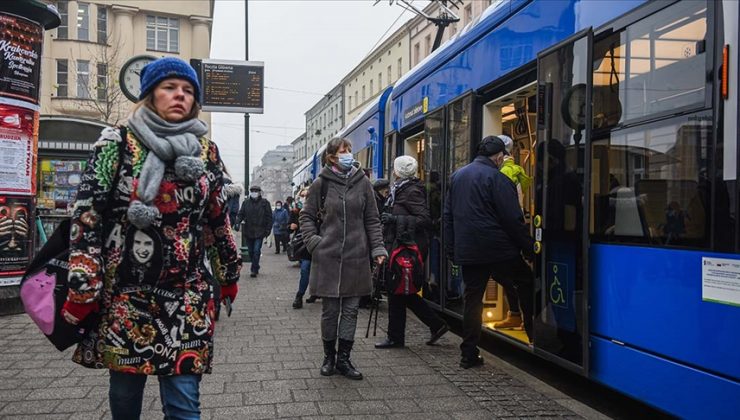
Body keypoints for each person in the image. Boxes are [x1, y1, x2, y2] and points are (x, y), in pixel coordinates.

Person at [60, 57, 241, 419]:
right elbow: (86, 217)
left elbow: (218, 217)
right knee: (126, 396)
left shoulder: (205, 151)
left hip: (187, 296)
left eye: (188, 91)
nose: (180, 96)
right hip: (128, 296)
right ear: (149, 94)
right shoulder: (117, 142)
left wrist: (229, 273)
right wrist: (83, 289)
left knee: (184, 403)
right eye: (170, 88)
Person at [444, 135, 535, 369]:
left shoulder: (456, 177)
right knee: (524, 281)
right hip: (498, 250)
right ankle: (534, 335)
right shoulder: (497, 178)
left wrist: (452, 249)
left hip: (469, 251)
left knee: (473, 301)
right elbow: (512, 219)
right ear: (498, 157)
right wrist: (529, 248)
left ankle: (468, 354)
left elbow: (448, 217)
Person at [300, 137, 386, 380]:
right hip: (327, 257)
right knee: (330, 311)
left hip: (356, 256)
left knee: (350, 310)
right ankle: (328, 357)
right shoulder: (321, 184)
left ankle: (344, 360)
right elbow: (306, 216)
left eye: (350, 149)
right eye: (343, 151)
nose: (349, 154)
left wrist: (378, 249)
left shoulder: (363, 183)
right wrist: (315, 243)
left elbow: (372, 219)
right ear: (332, 157)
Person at [375, 156, 449, 349]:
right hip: (399, 244)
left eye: (394, 169)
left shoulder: (411, 191)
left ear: (398, 171)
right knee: (400, 290)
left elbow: (425, 219)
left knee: (397, 288)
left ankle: (398, 336)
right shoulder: (401, 189)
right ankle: (431, 326)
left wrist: (394, 219)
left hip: (407, 246)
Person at [492, 134, 532, 330]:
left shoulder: (503, 172)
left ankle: (519, 316)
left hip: (505, 232)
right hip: (514, 228)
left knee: (508, 276)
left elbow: (504, 207)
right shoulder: (515, 169)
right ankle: (518, 315)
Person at [236, 185, 272, 277]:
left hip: (260, 231)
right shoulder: (246, 203)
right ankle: (256, 265)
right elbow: (241, 214)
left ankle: (254, 269)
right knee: (251, 251)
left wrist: (268, 230)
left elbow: (269, 218)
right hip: (249, 231)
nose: (254, 192)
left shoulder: (265, 203)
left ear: (259, 192)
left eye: (256, 191)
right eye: (252, 191)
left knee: (256, 251)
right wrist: (237, 222)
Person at [290, 188, 312, 309]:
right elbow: (291, 226)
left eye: (305, 196)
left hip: (321, 244)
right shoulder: (297, 211)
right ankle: (300, 295)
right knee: (305, 269)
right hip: (306, 246)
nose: (303, 198)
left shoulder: (322, 208)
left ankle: (316, 293)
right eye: (302, 196)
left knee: (318, 271)